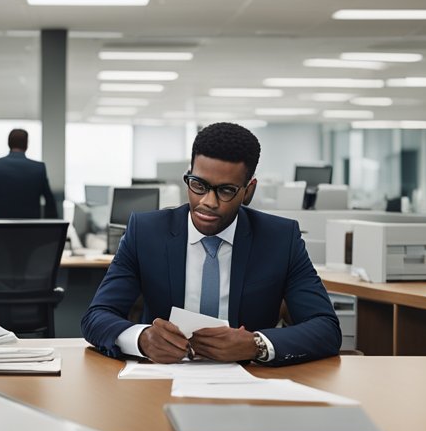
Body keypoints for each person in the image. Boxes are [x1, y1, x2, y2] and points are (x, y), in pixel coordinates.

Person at [81, 122, 340, 366]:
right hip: (162, 377)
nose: (208, 202)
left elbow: (326, 328)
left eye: (226, 190)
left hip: (248, 378)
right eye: (198, 185)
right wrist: (141, 338)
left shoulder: (280, 239)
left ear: (248, 191)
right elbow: (97, 316)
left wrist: (255, 345)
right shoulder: (146, 232)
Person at [0, 128, 58, 219]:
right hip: (31, 226)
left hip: (0, 226)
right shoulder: (39, 168)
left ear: (8, 143)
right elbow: (50, 203)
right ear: (26, 145)